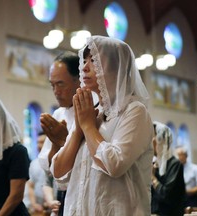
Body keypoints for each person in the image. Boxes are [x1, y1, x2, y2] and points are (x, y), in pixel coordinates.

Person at [51, 35, 154, 215]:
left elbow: (114, 165)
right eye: (84, 60)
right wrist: (78, 130)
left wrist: (88, 127)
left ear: (117, 68)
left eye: (94, 60)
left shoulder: (134, 111)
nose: (84, 67)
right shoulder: (90, 113)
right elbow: (58, 171)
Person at [38, 51, 81, 215]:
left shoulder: (94, 111)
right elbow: (50, 167)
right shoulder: (58, 115)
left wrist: (65, 140)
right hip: (63, 194)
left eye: (61, 84)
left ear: (78, 80)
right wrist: (56, 143)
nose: (56, 91)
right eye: (52, 85)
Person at [151, 121, 186, 216]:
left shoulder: (175, 164)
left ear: (160, 141)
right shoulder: (153, 164)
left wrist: (152, 178)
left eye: (152, 138)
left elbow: (166, 195)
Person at [24, 131, 47, 214]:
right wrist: (34, 204)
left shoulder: (56, 161)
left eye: (42, 142)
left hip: (53, 206)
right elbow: (30, 185)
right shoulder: (34, 163)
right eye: (38, 142)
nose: (39, 145)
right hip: (38, 209)